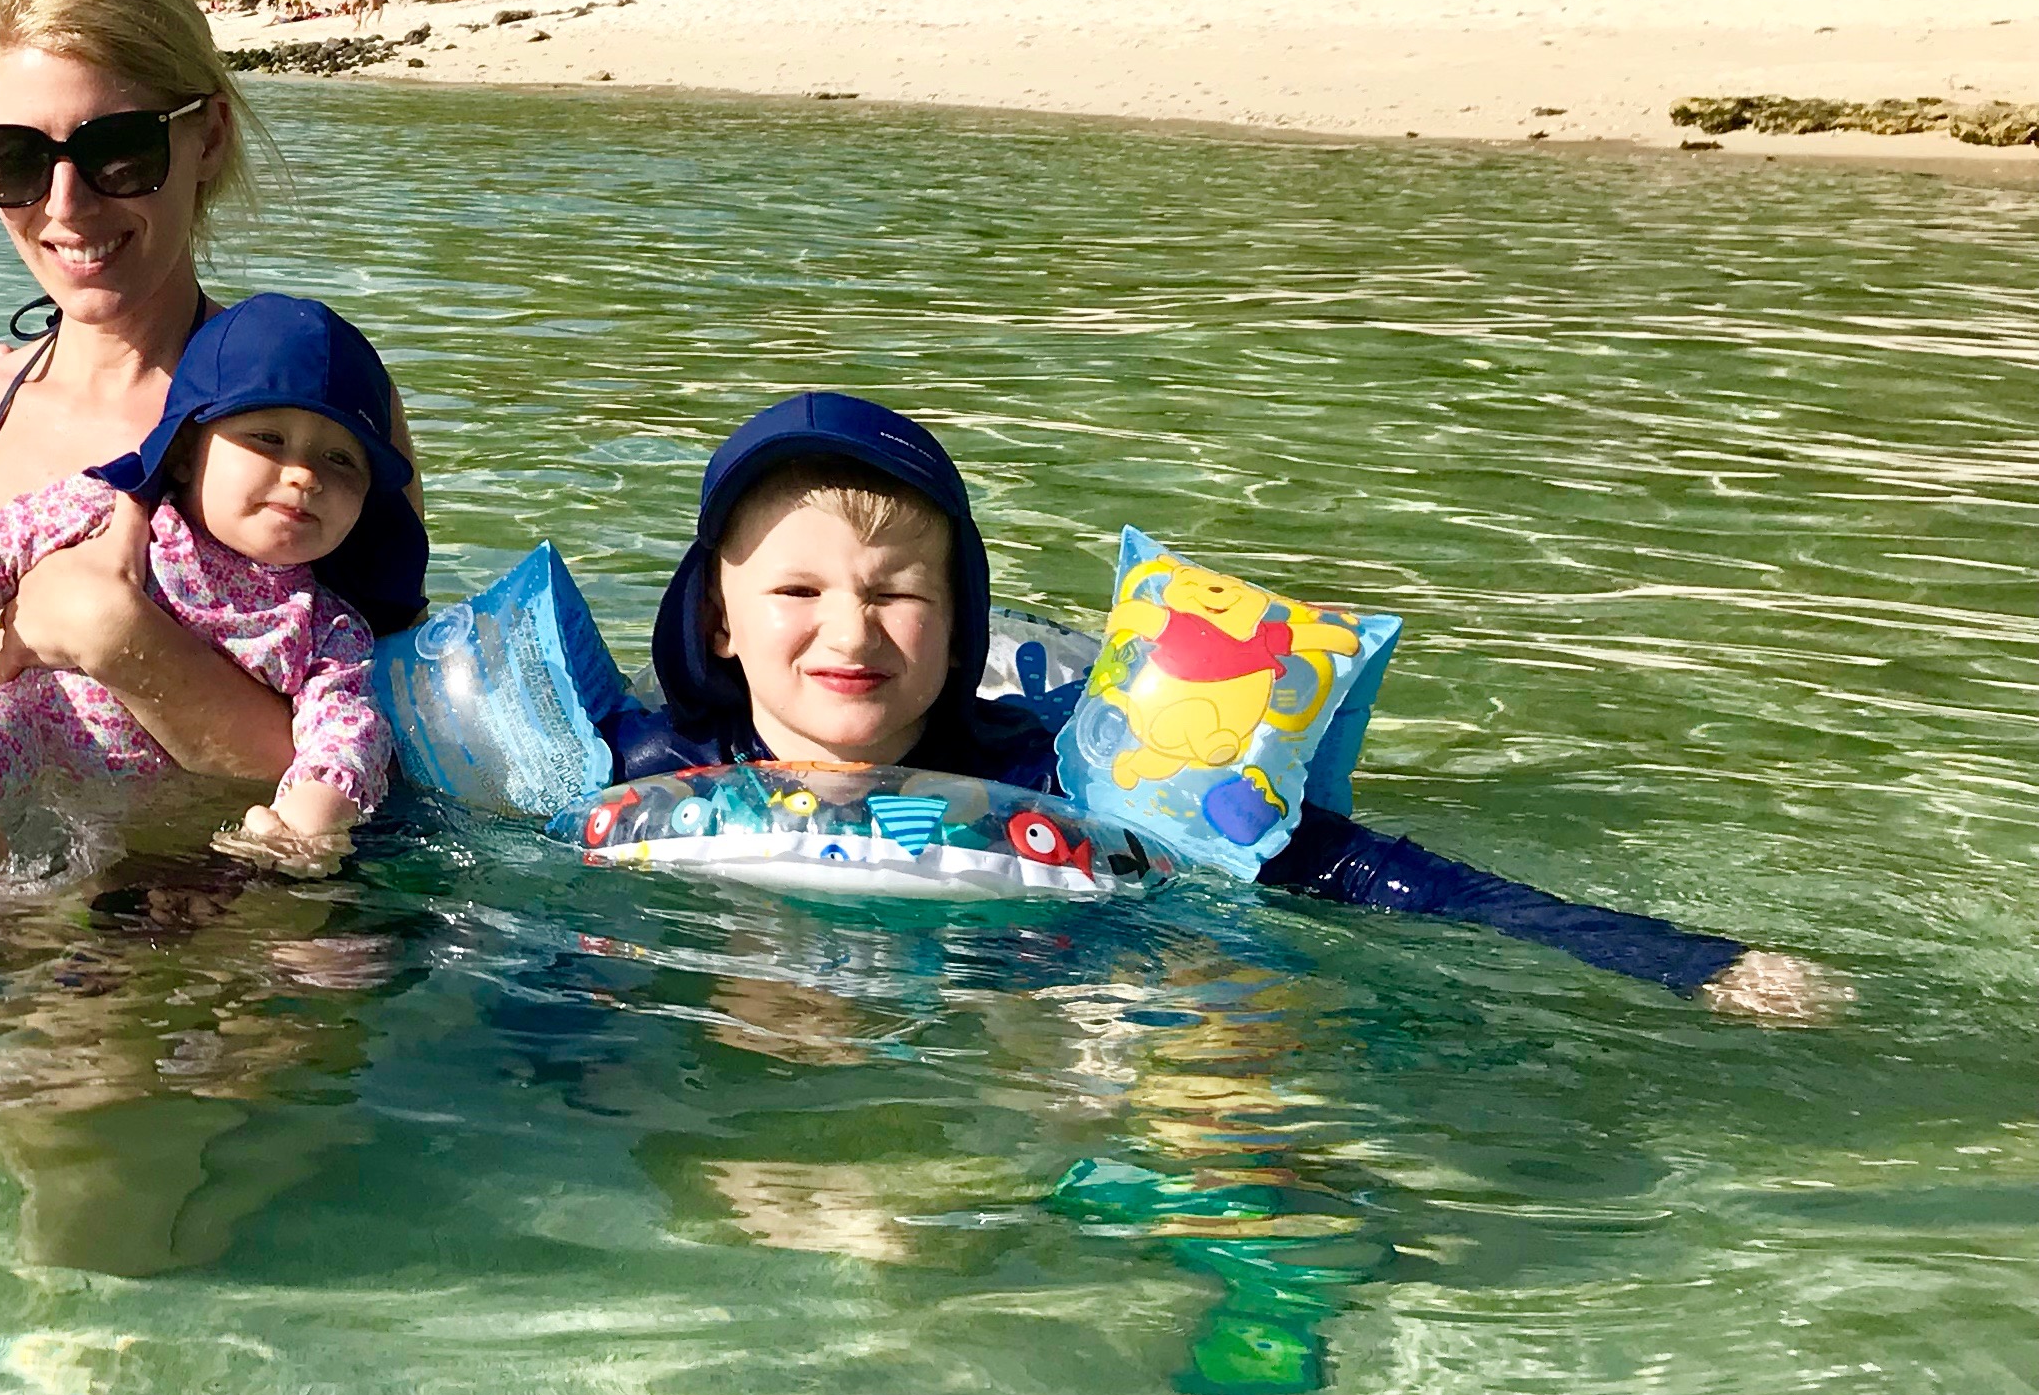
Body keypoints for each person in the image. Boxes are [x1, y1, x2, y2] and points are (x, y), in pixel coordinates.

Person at [595, 391, 1838, 1018]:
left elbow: (1362, 875)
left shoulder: (1064, 781)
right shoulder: (634, 775)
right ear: (716, 618)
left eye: (899, 593)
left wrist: (1684, 962)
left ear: (963, 620)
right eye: (798, 590)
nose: (852, 632)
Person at [0, 0, 429, 804]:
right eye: (13, 157)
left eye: (118, 150)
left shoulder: (323, 420)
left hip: (234, 915)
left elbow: (386, 757)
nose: (64, 205)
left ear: (210, 138)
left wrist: (125, 644)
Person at [0, 294, 407, 874]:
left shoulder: (327, 626)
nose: (304, 475)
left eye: (340, 461)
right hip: (41, 735)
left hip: (169, 825)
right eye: (268, 439)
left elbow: (347, 733)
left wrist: (307, 823)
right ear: (183, 456)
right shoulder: (110, 512)